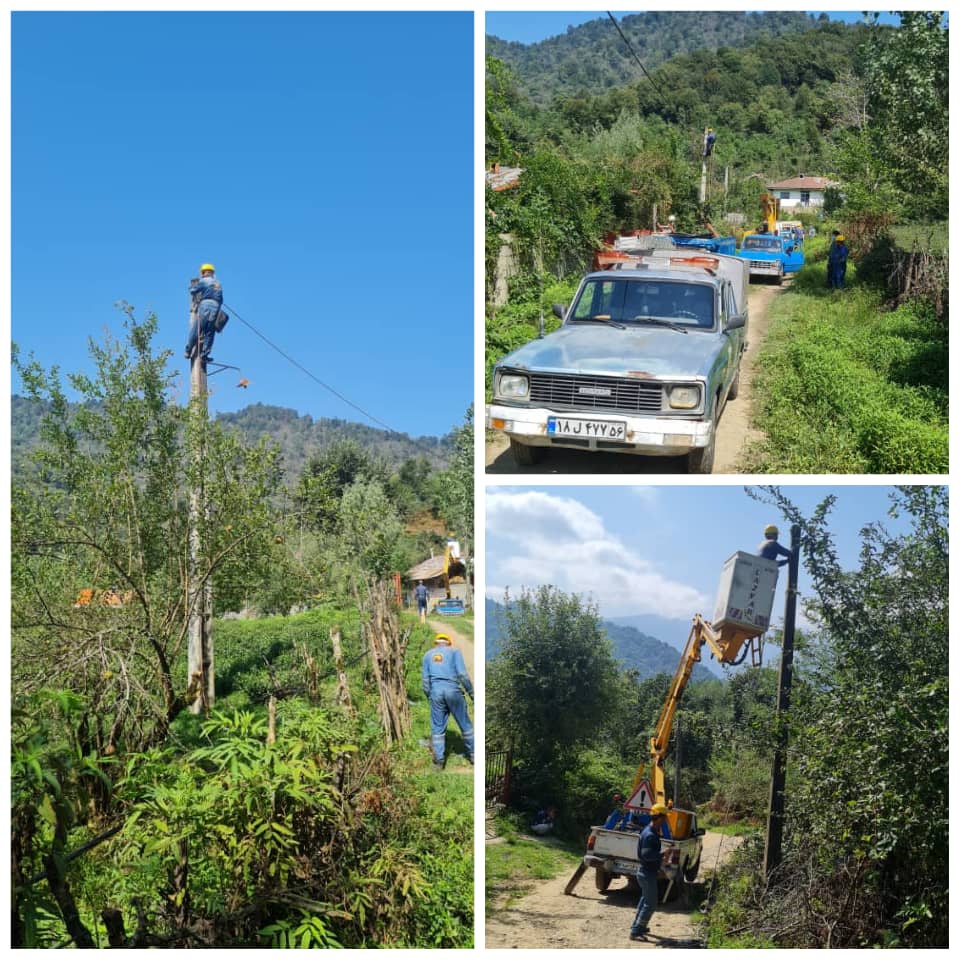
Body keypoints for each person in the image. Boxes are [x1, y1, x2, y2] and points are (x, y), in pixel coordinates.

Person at [421, 632, 474, 771]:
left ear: (436, 643)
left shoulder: (427, 655)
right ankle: (474, 755)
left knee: (437, 729)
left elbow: (425, 681)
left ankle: (439, 762)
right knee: (465, 725)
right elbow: (462, 674)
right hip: (453, 691)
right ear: (448, 643)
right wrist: (472, 693)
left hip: (436, 693)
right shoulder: (454, 652)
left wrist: (430, 695)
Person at [629, 802, 670, 940]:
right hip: (647, 873)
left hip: (645, 872)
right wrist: (663, 855)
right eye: (664, 817)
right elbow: (647, 855)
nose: (665, 820)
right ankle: (636, 931)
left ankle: (638, 925)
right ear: (658, 817)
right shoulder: (650, 835)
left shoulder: (649, 830)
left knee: (645, 899)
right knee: (651, 903)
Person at [186, 263, 223, 363]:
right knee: (210, 332)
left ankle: (188, 350)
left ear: (203, 272)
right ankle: (204, 354)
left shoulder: (203, 281)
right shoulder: (218, 284)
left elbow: (193, 291)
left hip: (205, 305)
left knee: (197, 328)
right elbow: (221, 300)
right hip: (216, 307)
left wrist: (191, 288)